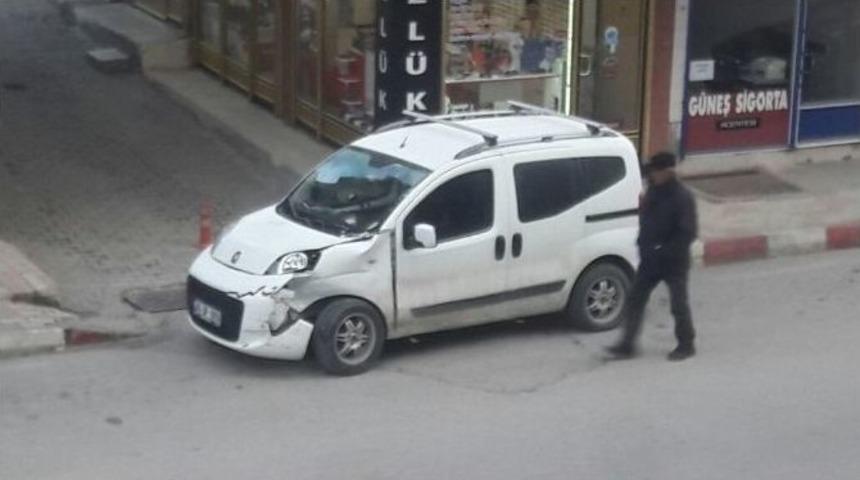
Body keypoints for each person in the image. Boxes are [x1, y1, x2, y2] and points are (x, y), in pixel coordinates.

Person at [607, 152, 698, 361]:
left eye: (656, 171)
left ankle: (686, 344)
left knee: (678, 304)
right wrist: (643, 244)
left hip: (673, 261)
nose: (652, 174)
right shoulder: (654, 190)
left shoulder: (682, 197)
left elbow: (688, 233)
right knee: (635, 299)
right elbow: (647, 219)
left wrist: (663, 250)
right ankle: (627, 345)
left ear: (668, 171)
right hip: (650, 260)